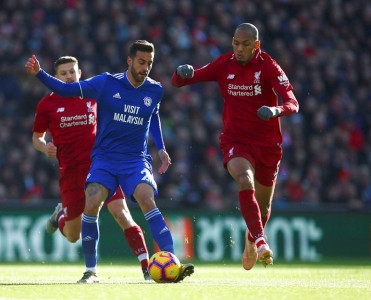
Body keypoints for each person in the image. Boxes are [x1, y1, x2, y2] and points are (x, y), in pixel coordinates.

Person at [25, 40, 194, 283]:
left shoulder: (155, 90)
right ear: (130, 61)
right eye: (141, 62)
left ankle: (165, 262)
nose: (145, 67)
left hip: (134, 160)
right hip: (99, 161)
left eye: (149, 63)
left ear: (80, 72)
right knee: (86, 213)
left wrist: (162, 149)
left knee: (142, 201)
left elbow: (153, 115)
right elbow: (61, 95)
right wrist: (39, 73)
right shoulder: (103, 84)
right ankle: (91, 270)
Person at [171, 23, 299, 270]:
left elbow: (293, 102)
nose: (239, 49)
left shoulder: (269, 66)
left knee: (263, 208)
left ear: (256, 45)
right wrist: (181, 73)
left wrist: (275, 111)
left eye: (246, 45)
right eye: (236, 43)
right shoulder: (224, 64)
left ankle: (251, 239)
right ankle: (261, 241)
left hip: (268, 144)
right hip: (236, 141)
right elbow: (182, 82)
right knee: (244, 178)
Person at [32, 56, 151, 282]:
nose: (68, 76)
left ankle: (145, 268)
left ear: (80, 73)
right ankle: (60, 216)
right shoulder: (46, 104)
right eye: (63, 73)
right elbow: (36, 138)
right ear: (55, 78)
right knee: (72, 235)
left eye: (72, 72)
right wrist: (44, 147)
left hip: (101, 167)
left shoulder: (95, 95)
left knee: (121, 213)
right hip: (70, 173)